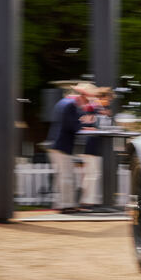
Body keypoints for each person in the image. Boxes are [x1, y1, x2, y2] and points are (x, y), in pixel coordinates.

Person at [47, 82, 98, 212]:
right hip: (61, 145)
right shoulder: (70, 105)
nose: (87, 102)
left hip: (58, 144)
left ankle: (65, 204)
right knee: (66, 177)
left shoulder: (64, 103)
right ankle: (66, 206)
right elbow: (72, 125)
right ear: (81, 95)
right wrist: (85, 127)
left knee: (64, 176)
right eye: (87, 99)